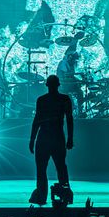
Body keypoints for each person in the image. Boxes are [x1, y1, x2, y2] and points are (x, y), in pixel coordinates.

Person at [28, 74, 73, 204]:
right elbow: (69, 120)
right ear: (58, 85)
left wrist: (32, 139)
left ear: (47, 85)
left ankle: (42, 195)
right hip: (57, 137)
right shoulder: (64, 100)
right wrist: (70, 138)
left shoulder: (42, 100)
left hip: (44, 138)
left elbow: (37, 121)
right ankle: (65, 195)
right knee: (60, 167)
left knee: (42, 169)